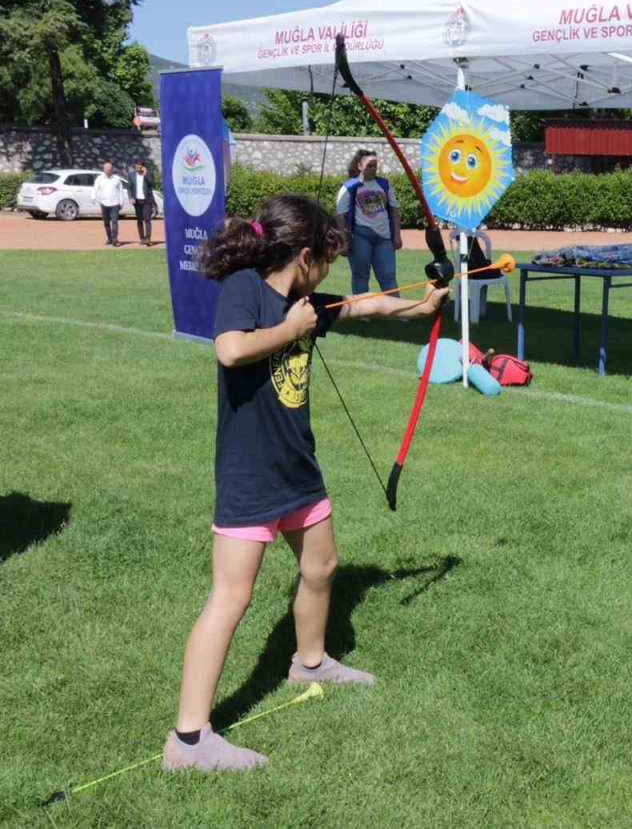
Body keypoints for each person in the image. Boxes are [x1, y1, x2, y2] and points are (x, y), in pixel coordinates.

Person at [163, 194, 448, 772]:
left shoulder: (304, 300)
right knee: (231, 596)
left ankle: (310, 663)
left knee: (321, 567)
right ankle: (188, 741)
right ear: (302, 255)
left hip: (298, 468)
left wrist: (419, 308)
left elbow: (363, 306)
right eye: (325, 260)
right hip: (250, 475)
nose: (326, 274)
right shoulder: (248, 288)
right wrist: (290, 327)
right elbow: (230, 349)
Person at [335, 149, 402, 295]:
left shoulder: (384, 184)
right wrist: (344, 241)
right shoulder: (349, 186)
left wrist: (396, 235)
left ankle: (396, 310)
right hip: (360, 237)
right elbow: (340, 215)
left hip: (384, 237)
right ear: (359, 166)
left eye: (375, 166)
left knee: (388, 276)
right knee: (361, 276)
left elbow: (394, 209)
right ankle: (363, 313)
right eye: (369, 166)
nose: (373, 169)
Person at [92, 160, 126, 247]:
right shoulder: (99, 178)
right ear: (104, 169)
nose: (108, 171)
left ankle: (115, 239)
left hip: (115, 203)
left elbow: (121, 191)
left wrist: (121, 202)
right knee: (106, 223)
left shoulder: (116, 179)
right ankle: (109, 238)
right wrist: (93, 197)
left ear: (112, 169)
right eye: (106, 169)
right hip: (104, 203)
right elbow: (95, 188)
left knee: (114, 221)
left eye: (109, 169)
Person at [129, 159, 157, 247]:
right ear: (135, 166)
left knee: (147, 220)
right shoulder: (131, 175)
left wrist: (146, 174)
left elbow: (152, 184)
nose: (138, 168)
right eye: (137, 166)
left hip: (147, 200)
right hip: (137, 201)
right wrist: (131, 197)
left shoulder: (149, 174)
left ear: (143, 167)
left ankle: (147, 238)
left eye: (140, 167)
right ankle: (142, 238)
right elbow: (129, 187)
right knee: (139, 221)